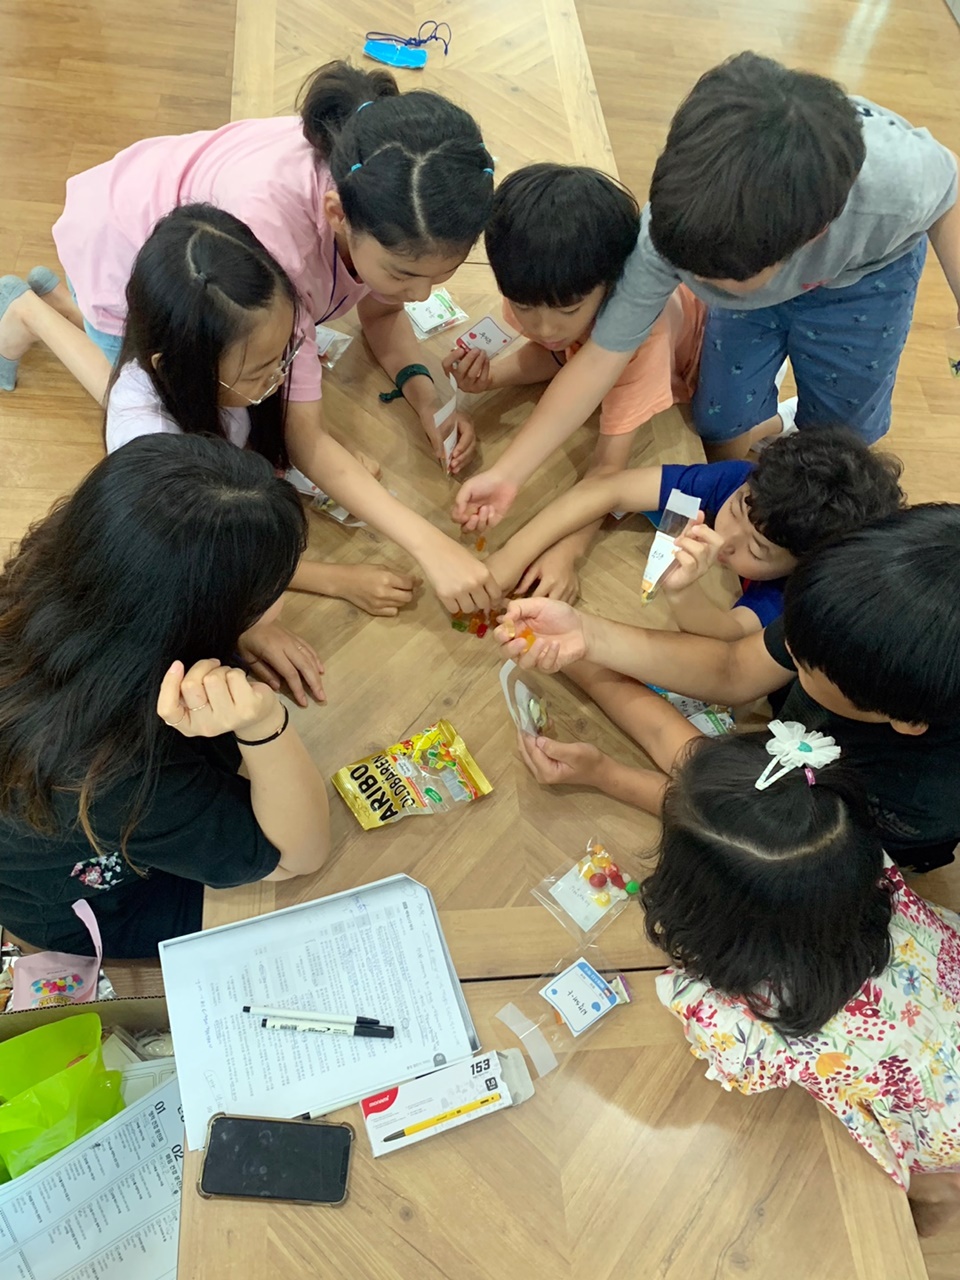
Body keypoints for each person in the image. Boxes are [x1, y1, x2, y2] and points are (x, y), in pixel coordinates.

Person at [1, 59, 501, 613]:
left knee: (181, 388)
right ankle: (31, 313)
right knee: (141, 389)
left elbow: (376, 322)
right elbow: (295, 443)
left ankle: (54, 299)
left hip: (193, 255)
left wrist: (425, 396)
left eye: (441, 275)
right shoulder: (277, 255)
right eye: (405, 275)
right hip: (127, 242)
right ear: (337, 215)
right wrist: (421, 545)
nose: (421, 295)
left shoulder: (383, 193)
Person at [453, 50, 960, 531]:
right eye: (689, 274)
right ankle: (764, 457)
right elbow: (598, 360)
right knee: (719, 416)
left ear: (810, 238)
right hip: (754, 266)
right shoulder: (674, 233)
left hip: (865, 284)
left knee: (840, 434)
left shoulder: (896, 184)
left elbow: (949, 195)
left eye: (716, 285)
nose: (695, 285)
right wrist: (509, 474)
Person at [0, 205, 420, 621]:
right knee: (120, 395)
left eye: (284, 354)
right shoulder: (156, 451)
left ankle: (52, 304)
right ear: (183, 368)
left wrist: (331, 447)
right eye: (258, 372)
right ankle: (29, 311)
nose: (279, 378)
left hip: (165, 388)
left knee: (122, 387)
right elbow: (205, 561)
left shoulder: (216, 351)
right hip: (153, 412)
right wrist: (337, 580)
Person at [0, 435, 330, 958]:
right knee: (308, 906)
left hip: (53, 825)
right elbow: (298, 856)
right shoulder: (118, 772)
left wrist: (234, 624)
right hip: (92, 905)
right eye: (273, 589)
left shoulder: (49, 575)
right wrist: (265, 724)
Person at [497, 504, 960, 872]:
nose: (788, 650)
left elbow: (744, 822)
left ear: (906, 719)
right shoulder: (859, 618)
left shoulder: (917, 792)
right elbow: (732, 668)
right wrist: (585, 637)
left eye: (804, 663)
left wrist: (607, 775)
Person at [644, 728, 960, 1236]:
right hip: (944, 1007)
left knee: (930, 1186)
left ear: (698, 907)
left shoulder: (746, 1025)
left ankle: (932, 1204)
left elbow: (724, 1046)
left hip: (939, 1124)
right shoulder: (857, 860)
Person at [442, 163, 717, 601]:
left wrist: (570, 550)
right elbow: (560, 354)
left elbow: (609, 471)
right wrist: (492, 376)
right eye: (523, 307)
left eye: (567, 310)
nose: (544, 325)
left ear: (612, 285)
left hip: (698, 362)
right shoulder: (540, 289)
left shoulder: (645, 337)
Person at [486, 427, 903, 628]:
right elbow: (609, 489)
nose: (726, 540)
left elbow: (727, 638)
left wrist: (682, 592)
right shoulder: (740, 482)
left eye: (757, 551)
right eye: (736, 510)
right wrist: (514, 557)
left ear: (802, 564)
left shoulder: (796, 592)